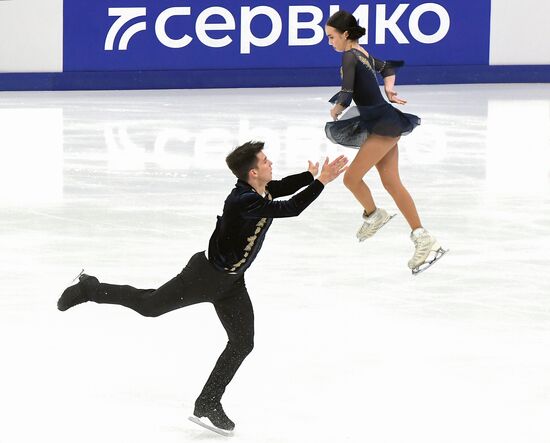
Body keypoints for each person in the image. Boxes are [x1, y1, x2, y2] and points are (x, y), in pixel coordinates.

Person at [57, 141, 348, 435]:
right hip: (204, 276)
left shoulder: (261, 189)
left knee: (242, 342)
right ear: (252, 173)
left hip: (233, 282)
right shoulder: (241, 200)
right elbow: (289, 208)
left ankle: (208, 403)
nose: (271, 163)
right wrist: (321, 182)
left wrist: (309, 177)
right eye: (265, 161)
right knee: (150, 306)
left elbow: (281, 188)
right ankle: (90, 288)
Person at [324, 10, 447, 274]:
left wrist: (337, 109)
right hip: (382, 121)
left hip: (382, 125)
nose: (330, 42)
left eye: (332, 37)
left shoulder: (349, 56)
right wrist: (389, 88)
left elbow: (347, 91)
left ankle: (374, 214)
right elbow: (388, 68)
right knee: (391, 182)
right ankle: (424, 238)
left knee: (351, 179)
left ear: (345, 34)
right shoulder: (362, 53)